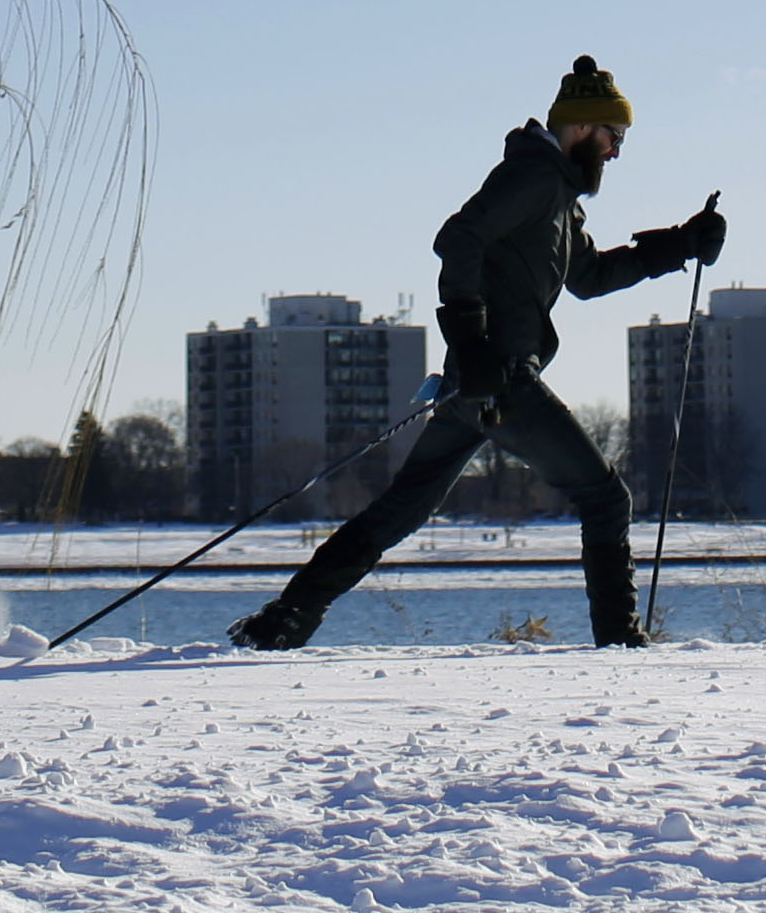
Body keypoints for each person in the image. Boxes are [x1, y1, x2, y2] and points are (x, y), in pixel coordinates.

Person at [230, 54, 726, 650]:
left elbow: (589, 276)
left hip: (476, 380)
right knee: (605, 497)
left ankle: (286, 619)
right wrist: (472, 338)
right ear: (581, 127)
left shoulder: (558, 195)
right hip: (501, 378)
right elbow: (458, 236)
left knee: (401, 509)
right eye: (614, 136)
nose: (617, 151)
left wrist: (679, 244)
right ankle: (620, 644)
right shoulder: (535, 178)